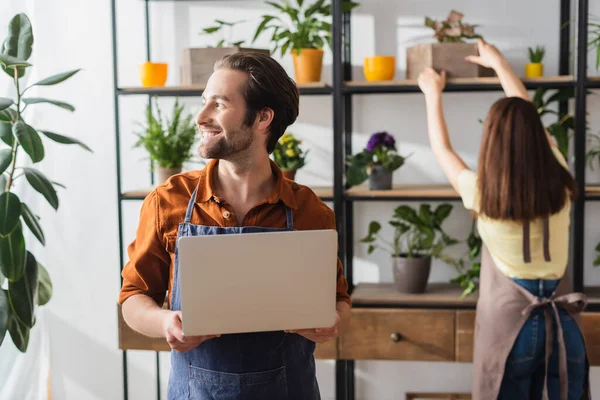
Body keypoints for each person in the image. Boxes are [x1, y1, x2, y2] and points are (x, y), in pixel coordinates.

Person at [118, 51, 351, 400]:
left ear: (262, 118)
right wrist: (166, 322)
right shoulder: (169, 201)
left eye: (219, 104)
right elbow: (133, 298)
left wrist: (331, 321)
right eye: (203, 102)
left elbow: (339, 302)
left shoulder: (309, 211)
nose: (201, 116)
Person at [417, 38, 591, 400]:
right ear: (540, 141)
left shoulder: (481, 192)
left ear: (490, 143)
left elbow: (442, 149)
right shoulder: (560, 177)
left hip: (511, 329)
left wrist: (432, 93)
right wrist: (499, 64)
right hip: (564, 324)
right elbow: (528, 112)